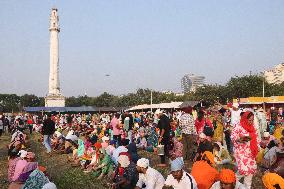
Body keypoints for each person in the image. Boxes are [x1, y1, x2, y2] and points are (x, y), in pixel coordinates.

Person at [231, 111, 259, 189]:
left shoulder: (253, 127)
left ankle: (247, 187)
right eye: (249, 120)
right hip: (241, 153)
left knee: (250, 172)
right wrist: (239, 139)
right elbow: (233, 137)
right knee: (242, 171)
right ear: (245, 119)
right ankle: (230, 182)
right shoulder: (238, 126)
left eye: (252, 120)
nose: (251, 122)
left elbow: (256, 138)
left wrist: (258, 147)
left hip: (250, 153)